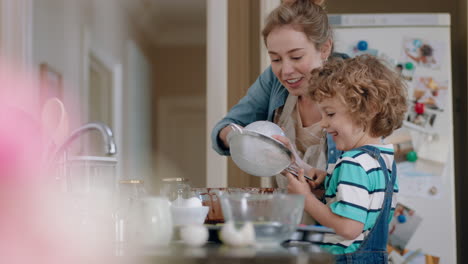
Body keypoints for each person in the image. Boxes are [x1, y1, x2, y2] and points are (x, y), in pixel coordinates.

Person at [283, 55, 408, 262]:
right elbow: (363, 209)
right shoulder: (383, 160)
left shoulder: (353, 162)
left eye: (330, 114)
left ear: (369, 110)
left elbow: (349, 228)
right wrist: (326, 182)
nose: (323, 123)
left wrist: (307, 199)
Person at [211, 0, 347, 188]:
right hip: (288, 213)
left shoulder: (353, 87)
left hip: (339, 214)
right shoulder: (273, 81)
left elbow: (357, 185)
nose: (286, 70)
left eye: (296, 57)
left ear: (324, 49)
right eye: (275, 59)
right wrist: (236, 137)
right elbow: (222, 129)